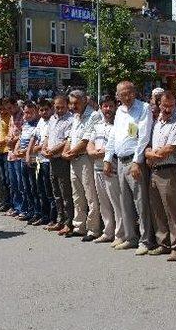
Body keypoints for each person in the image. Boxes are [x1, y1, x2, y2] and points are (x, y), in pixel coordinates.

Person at [104, 81, 155, 255]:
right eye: (122, 94)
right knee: (124, 202)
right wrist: (107, 158)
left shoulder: (144, 108)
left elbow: (144, 136)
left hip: (135, 162)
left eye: (129, 92)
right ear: (117, 95)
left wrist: (136, 161)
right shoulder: (119, 111)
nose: (126, 96)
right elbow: (113, 136)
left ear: (135, 92)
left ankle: (146, 240)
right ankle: (131, 238)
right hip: (120, 161)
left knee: (141, 202)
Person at [145, 90, 176, 261]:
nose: (167, 109)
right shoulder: (156, 122)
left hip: (169, 170)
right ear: (159, 105)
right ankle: (163, 244)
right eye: (164, 105)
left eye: (171, 106)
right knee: (157, 210)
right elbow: (148, 145)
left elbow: (170, 148)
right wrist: (148, 153)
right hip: (155, 171)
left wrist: (151, 156)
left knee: (173, 211)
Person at [63, 89, 101, 240]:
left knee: (90, 195)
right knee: (77, 195)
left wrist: (70, 153)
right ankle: (79, 226)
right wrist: (66, 151)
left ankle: (93, 229)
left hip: (85, 159)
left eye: (76, 103)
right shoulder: (76, 116)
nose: (73, 106)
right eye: (71, 103)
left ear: (85, 100)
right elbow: (70, 138)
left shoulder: (94, 115)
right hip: (74, 159)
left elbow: (86, 140)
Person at [86, 94, 121, 244]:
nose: (108, 109)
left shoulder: (119, 125)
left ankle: (120, 234)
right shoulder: (97, 125)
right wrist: (92, 151)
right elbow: (90, 143)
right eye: (105, 106)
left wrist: (104, 151)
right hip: (97, 168)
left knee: (117, 204)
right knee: (104, 203)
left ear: (115, 107)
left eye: (110, 106)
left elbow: (117, 145)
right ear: (100, 108)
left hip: (112, 169)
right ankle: (108, 232)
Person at [42, 96, 74, 235]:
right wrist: (44, 149)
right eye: (56, 107)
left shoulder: (70, 120)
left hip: (62, 160)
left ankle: (69, 222)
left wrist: (53, 150)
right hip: (51, 159)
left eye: (61, 107)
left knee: (65, 192)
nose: (59, 110)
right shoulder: (52, 119)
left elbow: (67, 141)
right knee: (56, 192)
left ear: (67, 105)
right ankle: (60, 220)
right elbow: (47, 137)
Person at [27, 99, 56, 226]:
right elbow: (34, 137)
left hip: (48, 160)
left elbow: (47, 139)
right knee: (41, 190)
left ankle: (53, 217)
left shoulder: (53, 121)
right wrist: (28, 153)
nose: (44, 112)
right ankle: (44, 215)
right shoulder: (41, 121)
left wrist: (38, 148)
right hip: (40, 160)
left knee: (50, 192)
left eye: (46, 110)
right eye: (41, 110)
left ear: (51, 109)